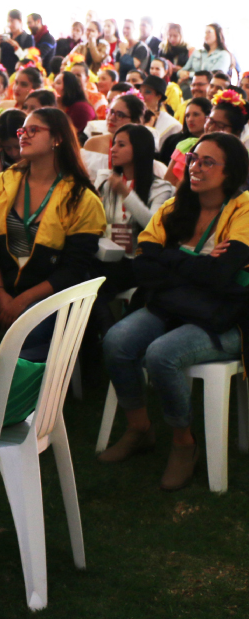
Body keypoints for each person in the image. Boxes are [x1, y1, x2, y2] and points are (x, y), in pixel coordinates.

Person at [99, 133, 249, 491]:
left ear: (231, 172)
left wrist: (173, 261)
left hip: (224, 316)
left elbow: (222, 275)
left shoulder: (243, 209)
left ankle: (184, 442)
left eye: (207, 162)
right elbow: (144, 262)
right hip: (175, 305)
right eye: (194, 158)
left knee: (161, 353)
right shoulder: (175, 206)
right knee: (117, 340)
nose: (195, 167)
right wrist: (193, 260)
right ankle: (140, 428)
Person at [0, 107, 105, 390]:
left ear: (57, 139)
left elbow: (75, 269)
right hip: (0, 285)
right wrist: (2, 294)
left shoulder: (82, 197)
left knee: (19, 345)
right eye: (22, 130)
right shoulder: (1, 183)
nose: (23, 136)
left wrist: (23, 299)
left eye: (33, 130)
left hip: (48, 294)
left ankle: (10, 413)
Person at [93, 124, 174, 307]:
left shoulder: (160, 188)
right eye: (114, 144)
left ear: (139, 149)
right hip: (105, 256)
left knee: (97, 282)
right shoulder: (107, 181)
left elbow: (152, 224)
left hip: (136, 261)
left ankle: (100, 331)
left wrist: (125, 193)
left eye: (121, 145)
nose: (113, 149)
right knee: (84, 273)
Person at [160, 97, 212, 182]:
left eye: (196, 114)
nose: (190, 119)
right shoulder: (174, 141)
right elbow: (167, 180)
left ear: (208, 117)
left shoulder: (212, 145)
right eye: (187, 115)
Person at [140, 76, 182, 148]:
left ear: (159, 96)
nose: (141, 96)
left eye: (147, 92)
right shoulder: (133, 115)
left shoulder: (172, 125)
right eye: (140, 91)